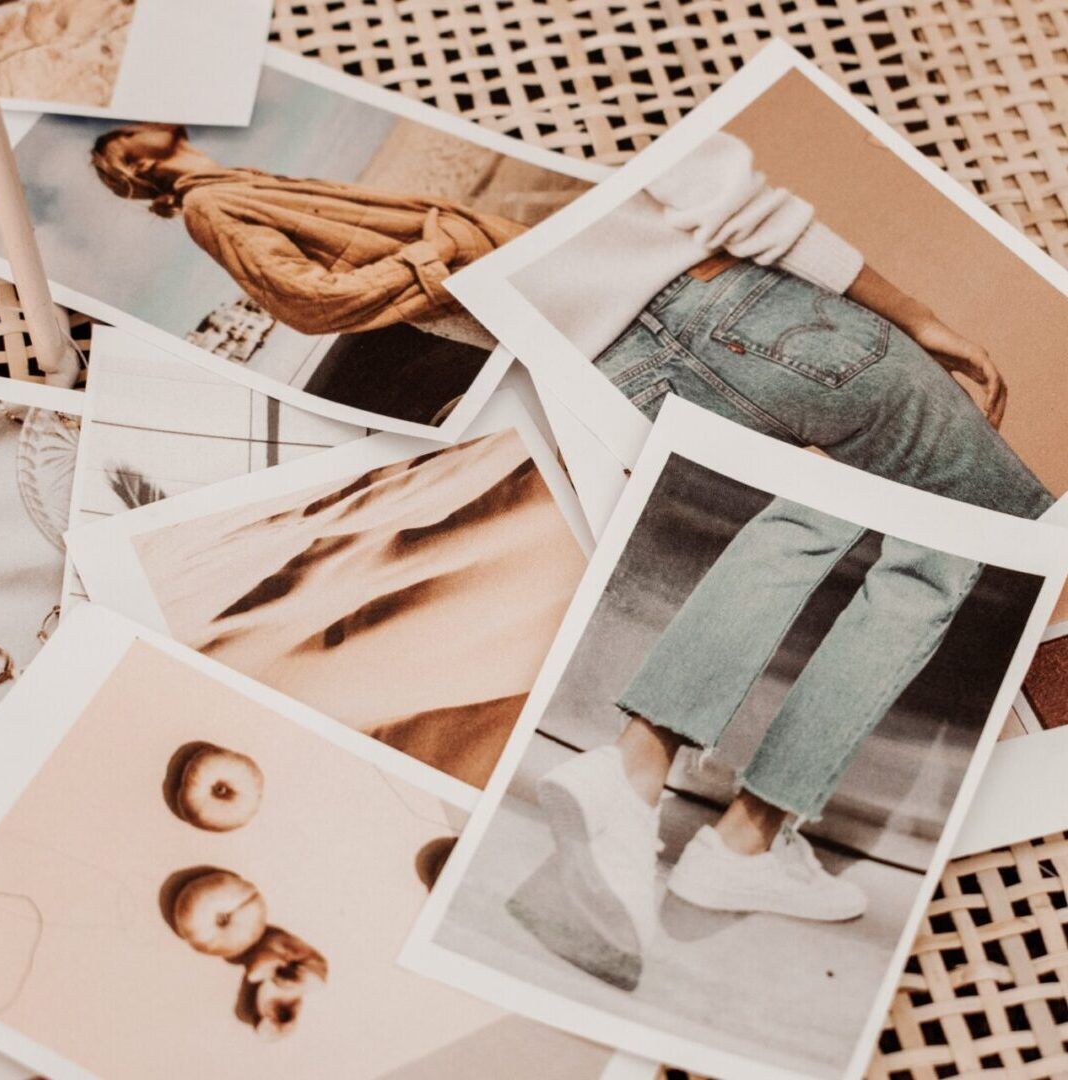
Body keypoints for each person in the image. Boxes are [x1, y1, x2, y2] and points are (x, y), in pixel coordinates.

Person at [527, 131, 1054, 973]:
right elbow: (734, 201)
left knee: (800, 521)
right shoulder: (598, 101)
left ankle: (632, 774)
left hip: (611, 371)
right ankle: (745, 841)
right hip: (738, 306)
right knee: (946, 553)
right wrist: (918, 316)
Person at [90, 123, 526, 336]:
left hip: (487, 259)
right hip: (475, 291)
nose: (143, 121)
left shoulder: (229, 184)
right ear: (139, 164)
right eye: (129, 131)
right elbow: (310, 302)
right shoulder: (208, 207)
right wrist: (432, 256)